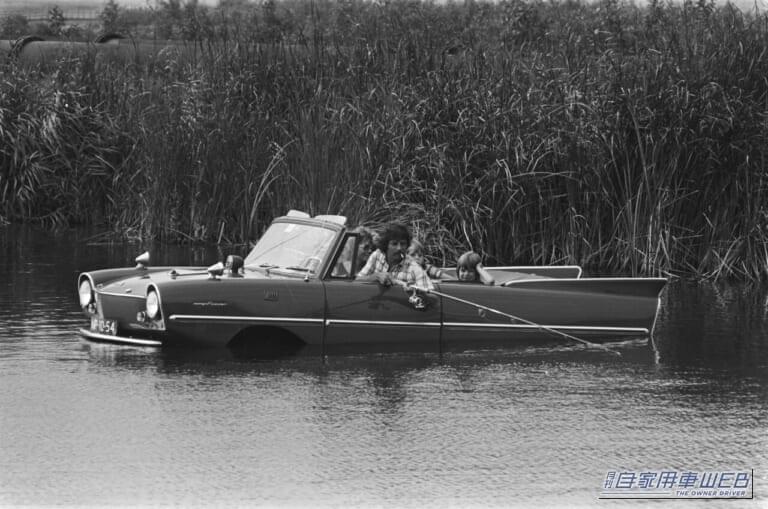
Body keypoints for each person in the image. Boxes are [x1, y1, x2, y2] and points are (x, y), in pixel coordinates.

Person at [356, 222, 433, 290]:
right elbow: (357, 280)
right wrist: (375, 277)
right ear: (386, 245)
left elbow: (433, 297)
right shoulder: (377, 256)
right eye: (394, 244)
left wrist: (413, 290)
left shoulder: (414, 268)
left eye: (403, 244)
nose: (399, 248)